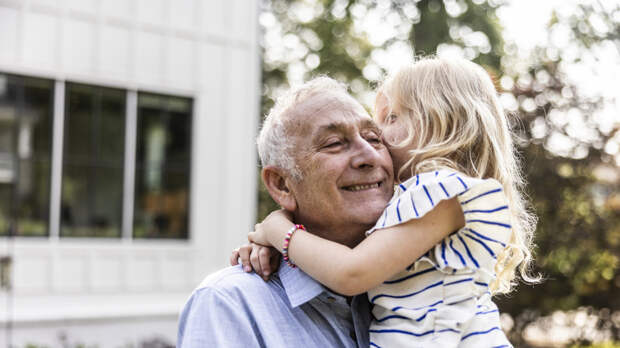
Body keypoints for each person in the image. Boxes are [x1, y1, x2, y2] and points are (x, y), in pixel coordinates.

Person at [245, 56, 538, 347]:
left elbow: (350, 272)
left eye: (391, 118)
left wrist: (277, 230)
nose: (380, 138)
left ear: (440, 124)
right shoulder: (415, 197)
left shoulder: (442, 195)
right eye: (335, 143)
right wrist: (277, 243)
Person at [177, 76, 396, 347]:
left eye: (374, 138)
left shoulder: (430, 275)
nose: (369, 156)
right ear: (282, 185)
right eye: (333, 143)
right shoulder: (230, 305)